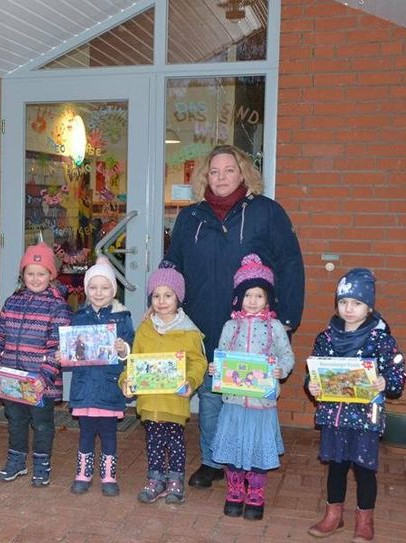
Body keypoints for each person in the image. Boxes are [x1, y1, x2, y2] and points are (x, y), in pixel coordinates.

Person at [163, 144, 305, 489]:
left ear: (243, 173)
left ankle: (248, 460)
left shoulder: (267, 212)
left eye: (229, 170)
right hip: (203, 321)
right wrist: (163, 304)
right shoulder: (190, 217)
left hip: (255, 327)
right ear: (204, 177)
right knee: (211, 395)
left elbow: (290, 265)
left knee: (249, 398)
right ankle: (214, 461)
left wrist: (286, 320)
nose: (221, 177)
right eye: (214, 171)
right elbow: (173, 266)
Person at [306, 269, 406, 542]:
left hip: (364, 417)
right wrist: (312, 386)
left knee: (364, 469)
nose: (349, 309)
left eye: (357, 303)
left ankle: (364, 519)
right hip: (334, 417)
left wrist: (386, 381)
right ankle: (333, 516)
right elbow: (314, 373)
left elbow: (398, 373)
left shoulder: (381, 339)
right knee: (336, 467)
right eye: (343, 302)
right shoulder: (325, 338)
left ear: (369, 306)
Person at [208, 254, 294, 521]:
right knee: (233, 447)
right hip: (234, 401)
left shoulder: (275, 327)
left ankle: (256, 493)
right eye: (248, 295)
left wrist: (281, 369)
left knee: (257, 448)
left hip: (262, 404)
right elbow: (222, 354)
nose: (253, 301)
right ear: (238, 298)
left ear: (267, 298)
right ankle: (235, 490)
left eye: (259, 295)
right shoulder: (230, 326)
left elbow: (287, 355)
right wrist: (215, 368)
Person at [0, 242, 71, 487]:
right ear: (22, 275)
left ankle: (42, 464)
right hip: (12, 380)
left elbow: (58, 347)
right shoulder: (12, 302)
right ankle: (17, 461)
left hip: (42, 383)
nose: (35, 278)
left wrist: (44, 377)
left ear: (51, 275)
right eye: (30, 273)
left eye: (41, 273)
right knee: (16, 420)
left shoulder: (58, 307)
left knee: (42, 424)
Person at [121, 268, 207, 505]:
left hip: (174, 401)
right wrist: (126, 381)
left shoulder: (189, 331)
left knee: (175, 441)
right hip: (150, 402)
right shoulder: (145, 329)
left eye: (168, 295)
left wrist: (190, 381)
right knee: (154, 442)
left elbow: (198, 362)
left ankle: (176, 480)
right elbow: (134, 361)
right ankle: (155, 478)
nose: (161, 301)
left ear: (178, 297)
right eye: (156, 296)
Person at [61, 257, 135, 497]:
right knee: (85, 433)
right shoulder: (79, 317)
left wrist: (124, 349)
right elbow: (72, 349)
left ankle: (108, 475)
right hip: (84, 388)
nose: (98, 293)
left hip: (109, 386)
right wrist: (64, 352)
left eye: (105, 288)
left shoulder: (122, 318)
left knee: (109, 434)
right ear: (86, 289)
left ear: (113, 290)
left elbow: (131, 347)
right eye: (93, 287)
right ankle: (83, 473)